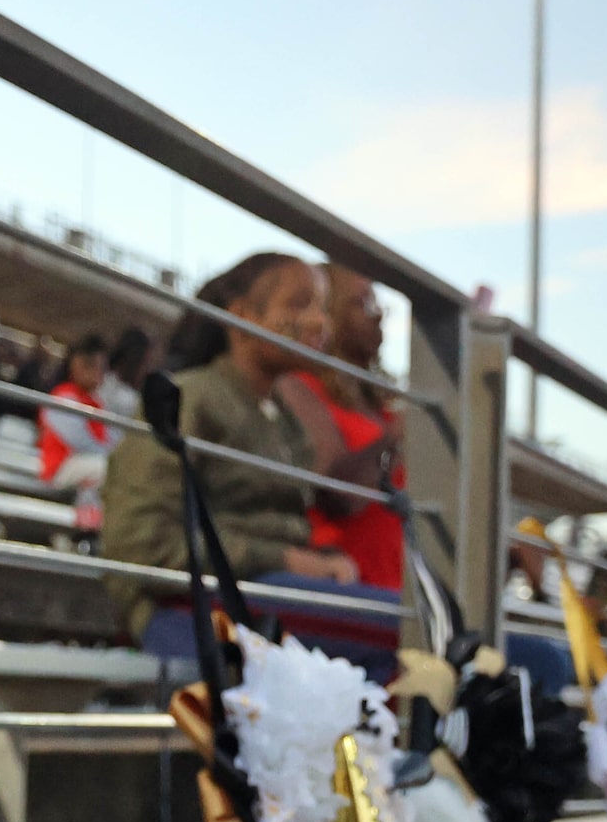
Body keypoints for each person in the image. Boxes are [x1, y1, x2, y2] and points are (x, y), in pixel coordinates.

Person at [103, 252, 393, 665]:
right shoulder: (189, 398)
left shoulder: (283, 418)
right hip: (190, 611)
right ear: (240, 315)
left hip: (265, 599)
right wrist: (288, 560)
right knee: (419, 641)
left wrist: (321, 562)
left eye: (322, 307)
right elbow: (139, 544)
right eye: (299, 304)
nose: (319, 323)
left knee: (423, 640)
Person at [278, 265, 404, 592]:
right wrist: (394, 439)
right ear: (327, 312)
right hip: (348, 587)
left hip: (402, 592)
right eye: (361, 303)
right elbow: (337, 496)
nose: (376, 316)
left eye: (377, 304)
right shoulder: (299, 387)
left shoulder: (383, 408)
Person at [37, 336, 116, 529]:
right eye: (98, 368)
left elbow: (107, 439)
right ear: (79, 365)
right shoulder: (65, 397)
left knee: (109, 467)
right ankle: (88, 523)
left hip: (79, 463)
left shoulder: (93, 400)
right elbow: (81, 443)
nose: (102, 375)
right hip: (60, 467)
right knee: (105, 468)